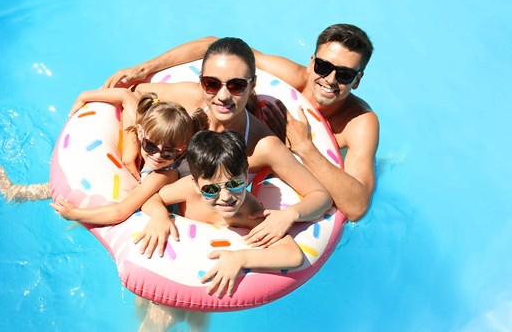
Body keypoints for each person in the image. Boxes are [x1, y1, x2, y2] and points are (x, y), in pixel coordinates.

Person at [104, 24, 377, 222]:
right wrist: (146, 68)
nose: (329, 79)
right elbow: (215, 47)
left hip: (273, 164)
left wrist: (304, 146)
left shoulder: (359, 122)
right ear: (312, 62)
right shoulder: (286, 78)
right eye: (323, 67)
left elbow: (355, 207)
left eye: (344, 74)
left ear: (358, 78)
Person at [123, 37, 332, 251]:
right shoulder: (191, 99)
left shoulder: (262, 144)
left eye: (237, 85)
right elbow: (135, 93)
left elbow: (321, 196)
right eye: (212, 84)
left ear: (252, 85)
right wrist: (130, 142)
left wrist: (289, 215)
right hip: (159, 202)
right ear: (202, 81)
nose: (223, 96)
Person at [135, 130, 304, 331]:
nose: (226, 196)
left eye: (235, 184)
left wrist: (240, 258)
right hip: (175, 263)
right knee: (154, 316)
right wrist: (159, 215)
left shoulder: (249, 212)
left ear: (245, 174)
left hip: (205, 278)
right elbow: (151, 198)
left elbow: (293, 255)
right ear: (197, 185)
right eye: (211, 190)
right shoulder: (188, 190)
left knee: (198, 323)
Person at [0, 89, 207, 225]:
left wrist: (76, 215)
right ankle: (17, 192)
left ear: (182, 149)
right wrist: (84, 96)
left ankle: (19, 193)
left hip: (153, 198)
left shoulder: (165, 173)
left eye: (168, 152)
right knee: (74, 181)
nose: (158, 155)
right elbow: (127, 97)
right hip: (127, 171)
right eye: (150, 146)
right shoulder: (140, 129)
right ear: (141, 133)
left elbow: (122, 211)